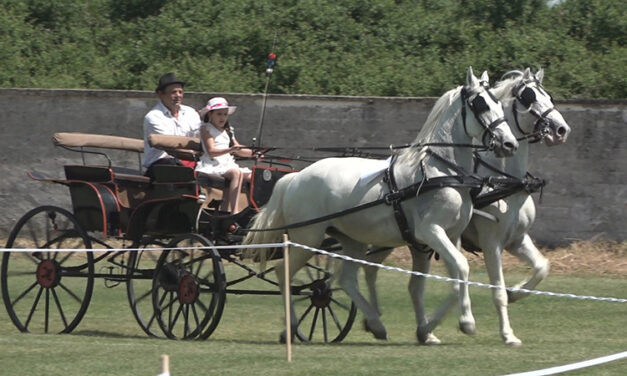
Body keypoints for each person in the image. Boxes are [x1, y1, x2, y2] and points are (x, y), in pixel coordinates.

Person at [196, 97, 253, 213]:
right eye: (219, 114)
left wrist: (254, 153)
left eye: (225, 114)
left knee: (254, 176)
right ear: (210, 114)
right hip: (213, 163)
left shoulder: (228, 130)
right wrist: (230, 149)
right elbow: (211, 151)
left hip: (228, 163)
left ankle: (252, 209)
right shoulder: (206, 129)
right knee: (236, 173)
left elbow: (239, 150)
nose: (222, 117)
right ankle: (234, 211)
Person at [143, 72, 201, 177]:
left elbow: (200, 135)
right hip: (161, 164)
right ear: (161, 94)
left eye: (180, 92)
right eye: (174, 92)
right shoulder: (154, 117)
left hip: (190, 160)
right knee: (174, 165)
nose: (178, 96)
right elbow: (170, 147)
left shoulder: (191, 112)